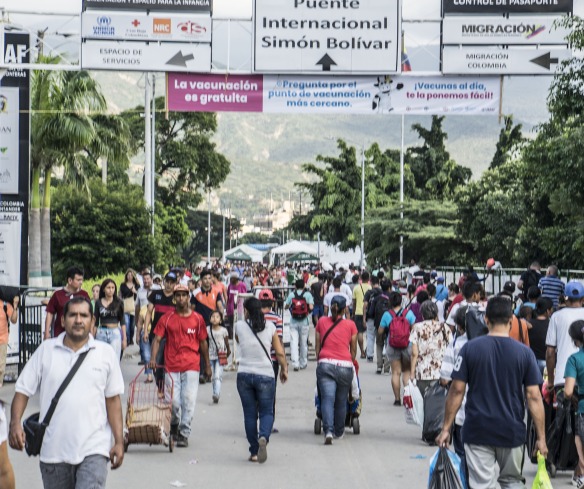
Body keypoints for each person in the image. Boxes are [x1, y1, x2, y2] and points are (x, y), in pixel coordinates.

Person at [10, 297, 124, 488]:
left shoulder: (105, 354)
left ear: (92, 321)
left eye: (84, 315)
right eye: (73, 315)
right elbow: (22, 390)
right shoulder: (46, 351)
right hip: (53, 453)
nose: (78, 320)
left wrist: (119, 441)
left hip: (94, 449)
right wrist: (15, 423)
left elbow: (113, 401)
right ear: (63, 321)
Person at [436, 296, 547, 489]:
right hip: (511, 431)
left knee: (481, 485)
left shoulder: (469, 349)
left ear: (486, 320)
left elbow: (456, 391)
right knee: (512, 482)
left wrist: (446, 428)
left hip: (478, 430)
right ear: (511, 320)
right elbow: (534, 397)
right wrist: (541, 438)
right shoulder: (525, 354)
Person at [150, 284, 212, 448]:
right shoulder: (167, 318)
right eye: (178, 295)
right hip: (171, 365)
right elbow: (157, 339)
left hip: (192, 365)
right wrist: (152, 359)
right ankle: (175, 424)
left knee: (189, 400)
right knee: (174, 402)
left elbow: (203, 342)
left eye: (184, 295)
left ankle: (184, 433)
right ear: (174, 298)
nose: (181, 298)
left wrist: (207, 365)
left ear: (188, 297)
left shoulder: (197, 319)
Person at [235, 297, 288, 463]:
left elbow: (239, 341)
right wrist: (284, 368)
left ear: (247, 311)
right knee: (266, 411)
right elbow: (279, 352)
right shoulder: (270, 327)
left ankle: (254, 452)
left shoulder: (239, 326)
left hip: (244, 374)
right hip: (265, 374)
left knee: (250, 415)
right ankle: (263, 436)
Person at [315, 295, 357, 445]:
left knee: (327, 398)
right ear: (345, 308)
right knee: (340, 401)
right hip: (345, 366)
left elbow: (317, 346)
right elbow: (353, 350)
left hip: (326, 363)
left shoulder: (321, 322)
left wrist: (320, 360)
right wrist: (349, 361)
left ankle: (328, 431)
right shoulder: (351, 325)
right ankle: (339, 431)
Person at [439, 307, 469, 482]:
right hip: (495, 415)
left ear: (458, 324)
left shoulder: (457, 344)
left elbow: (445, 379)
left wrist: (445, 428)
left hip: (463, 412)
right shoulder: (496, 343)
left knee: (463, 454)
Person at [378, 291, 416, 405]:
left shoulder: (387, 315)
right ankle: (407, 397)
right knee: (407, 372)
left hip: (392, 345)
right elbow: (414, 329)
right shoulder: (408, 313)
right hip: (407, 346)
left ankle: (397, 399)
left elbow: (380, 331)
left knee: (395, 372)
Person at [546, 281, 584, 394]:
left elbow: (550, 352)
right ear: (583, 299)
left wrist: (551, 381)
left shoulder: (556, 317)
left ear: (565, 298)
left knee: (564, 411)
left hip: (563, 378)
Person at [409, 301, 452, 396]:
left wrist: (412, 373)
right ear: (436, 313)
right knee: (438, 404)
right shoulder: (445, 327)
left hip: (422, 372)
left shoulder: (417, 328)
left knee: (422, 402)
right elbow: (450, 349)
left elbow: (414, 353)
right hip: (441, 372)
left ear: (422, 314)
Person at [191, 270, 224, 382]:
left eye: (209, 278)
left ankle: (211, 372)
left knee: (212, 350)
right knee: (201, 350)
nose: (207, 281)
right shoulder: (195, 293)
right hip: (199, 325)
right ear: (201, 280)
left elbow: (219, 306)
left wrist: (221, 317)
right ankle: (202, 373)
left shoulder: (216, 292)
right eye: (205, 278)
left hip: (212, 326)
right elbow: (192, 309)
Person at [259, 289, 284, 433]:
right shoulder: (277, 318)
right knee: (270, 392)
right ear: (273, 302)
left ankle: (258, 421)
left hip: (256, 358)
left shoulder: (252, 318)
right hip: (272, 360)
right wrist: (284, 364)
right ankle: (268, 423)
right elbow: (279, 340)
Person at [563, 320, 584, 488]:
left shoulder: (574, 360)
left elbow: (568, 391)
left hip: (582, 408)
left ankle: (582, 473)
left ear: (575, 340)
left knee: (579, 437)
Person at [44, 266, 90, 339]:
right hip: (60, 334)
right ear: (70, 280)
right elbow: (50, 313)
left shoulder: (85, 295)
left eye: (81, 280)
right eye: (78, 280)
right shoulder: (57, 294)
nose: (81, 282)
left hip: (79, 334)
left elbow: (89, 314)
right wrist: (46, 332)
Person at [92, 278, 126, 360]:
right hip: (101, 332)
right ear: (103, 289)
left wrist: (124, 339)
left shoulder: (119, 302)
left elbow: (122, 321)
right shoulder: (98, 302)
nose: (111, 290)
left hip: (114, 333)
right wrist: (92, 337)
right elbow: (95, 321)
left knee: (114, 359)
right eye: (108, 287)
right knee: (101, 359)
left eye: (113, 287)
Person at [284, 279, 314, 371]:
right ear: (304, 286)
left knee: (293, 342)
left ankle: (295, 363)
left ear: (295, 286)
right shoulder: (308, 295)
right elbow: (311, 307)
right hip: (304, 322)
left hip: (293, 321)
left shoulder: (292, 294)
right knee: (303, 343)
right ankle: (303, 363)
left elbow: (286, 305)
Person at [207, 310, 230, 404]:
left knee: (217, 375)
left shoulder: (223, 330)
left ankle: (216, 393)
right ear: (210, 319)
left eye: (217, 317)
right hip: (210, 355)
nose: (214, 318)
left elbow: (227, 342)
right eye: (213, 316)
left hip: (221, 355)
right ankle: (215, 393)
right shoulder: (207, 329)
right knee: (213, 376)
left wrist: (228, 351)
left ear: (220, 320)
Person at [135, 271, 154, 381]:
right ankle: (149, 375)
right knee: (146, 354)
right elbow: (137, 307)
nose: (146, 281)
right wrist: (137, 330)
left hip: (156, 329)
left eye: (148, 278)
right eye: (144, 279)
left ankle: (158, 373)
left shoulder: (157, 289)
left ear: (151, 279)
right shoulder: (140, 292)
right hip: (143, 326)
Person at [529, 297, 553, 375]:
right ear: (547, 310)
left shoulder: (528, 324)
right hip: (548, 362)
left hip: (532, 361)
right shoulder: (552, 324)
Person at [352, 271, 371, 360]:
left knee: (359, 332)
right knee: (370, 334)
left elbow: (354, 302)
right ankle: (369, 349)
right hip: (369, 313)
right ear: (368, 279)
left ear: (361, 278)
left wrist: (353, 313)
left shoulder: (356, 288)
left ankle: (362, 352)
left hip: (358, 312)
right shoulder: (371, 288)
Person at [0, 295, 18, 387]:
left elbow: (14, 320)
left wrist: (15, 306)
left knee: (1, 363)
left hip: (2, 338)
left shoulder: (5, 305)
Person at [363, 275, 381, 364]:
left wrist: (364, 317)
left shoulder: (369, 292)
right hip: (381, 318)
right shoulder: (382, 292)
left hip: (370, 317)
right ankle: (382, 355)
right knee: (381, 337)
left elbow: (365, 305)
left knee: (370, 336)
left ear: (371, 283)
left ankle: (370, 355)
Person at [119, 268, 139, 346]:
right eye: (128, 275)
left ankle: (131, 339)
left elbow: (139, 296)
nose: (129, 276)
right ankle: (126, 339)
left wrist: (135, 291)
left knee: (132, 326)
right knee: (126, 323)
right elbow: (120, 295)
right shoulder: (123, 285)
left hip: (134, 307)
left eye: (131, 275)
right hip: (125, 306)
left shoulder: (137, 285)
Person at [225, 273, 247, 339]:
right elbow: (228, 297)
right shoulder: (230, 285)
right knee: (231, 323)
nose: (231, 280)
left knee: (239, 324)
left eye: (232, 279)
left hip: (239, 308)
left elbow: (244, 297)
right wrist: (226, 307)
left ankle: (239, 336)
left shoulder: (242, 285)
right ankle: (233, 336)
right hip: (230, 308)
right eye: (231, 279)